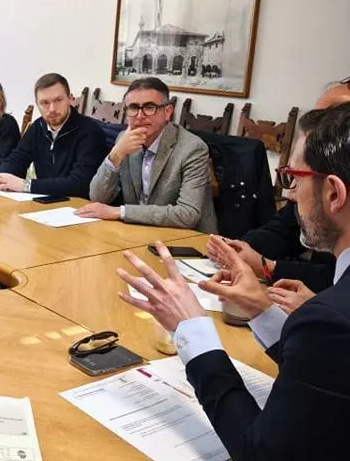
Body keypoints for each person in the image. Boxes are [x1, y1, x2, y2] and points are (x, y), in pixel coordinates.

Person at [116, 103, 350, 460]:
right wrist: (261, 309)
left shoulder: (331, 320)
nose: (288, 194)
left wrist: (194, 330)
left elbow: (259, 452)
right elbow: (328, 376)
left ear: (334, 193)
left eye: (293, 178)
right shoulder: (329, 325)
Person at [207, 79, 350, 296]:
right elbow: (284, 228)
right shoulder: (314, 180)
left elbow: (337, 281)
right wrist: (239, 249)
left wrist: (269, 266)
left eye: (330, 119)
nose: (291, 194)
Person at [80, 76, 217, 232]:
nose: (140, 116)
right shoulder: (125, 140)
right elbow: (98, 198)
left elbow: (188, 214)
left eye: (149, 107)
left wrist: (120, 212)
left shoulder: (193, 149)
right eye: (133, 107)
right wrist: (116, 155)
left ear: (167, 112)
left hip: (186, 241)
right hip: (140, 232)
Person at [0, 73, 106, 197]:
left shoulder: (90, 132)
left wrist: (27, 185)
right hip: (45, 204)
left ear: (70, 99)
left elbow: (80, 184)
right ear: (37, 104)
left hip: (77, 207)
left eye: (58, 100)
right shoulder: (38, 127)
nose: (52, 109)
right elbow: (16, 158)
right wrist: (2, 177)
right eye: (45, 103)